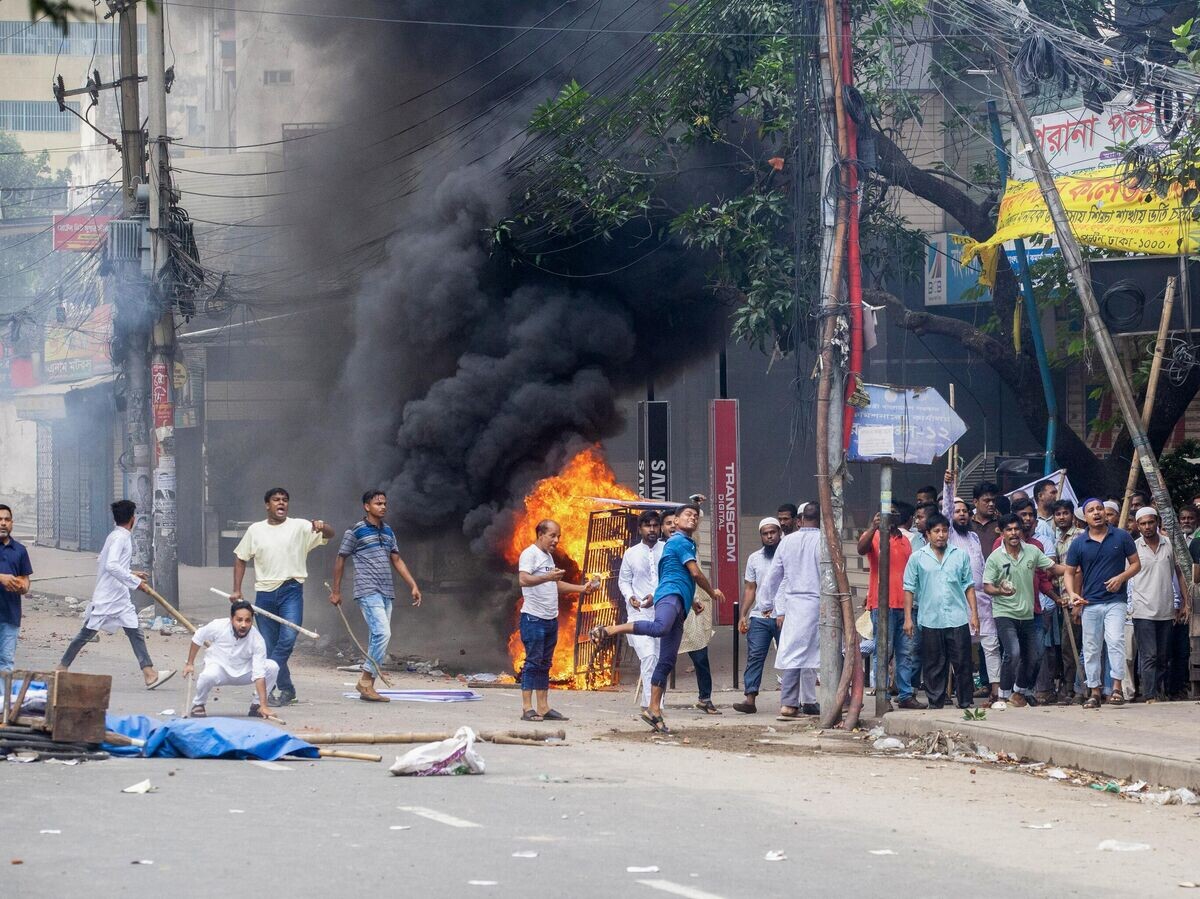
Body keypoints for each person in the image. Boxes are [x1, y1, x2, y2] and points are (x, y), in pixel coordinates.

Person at [589, 504, 724, 733]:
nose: (692, 518)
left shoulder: (679, 544)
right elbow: (694, 573)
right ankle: (611, 630)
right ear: (675, 522)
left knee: (666, 660)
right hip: (668, 599)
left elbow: (677, 577)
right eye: (686, 515)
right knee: (659, 630)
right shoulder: (679, 541)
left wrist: (690, 600)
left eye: (695, 515)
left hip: (677, 603)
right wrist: (712, 593)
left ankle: (654, 710)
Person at [230, 488, 333, 707]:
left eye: (285, 500)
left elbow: (329, 535)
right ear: (267, 505)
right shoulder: (255, 530)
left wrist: (323, 527)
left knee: (287, 639)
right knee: (270, 644)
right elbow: (240, 558)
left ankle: (266, 682)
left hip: (291, 590)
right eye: (276, 500)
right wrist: (237, 590)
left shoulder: (300, 526)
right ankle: (287, 691)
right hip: (264, 594)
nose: (281, 503)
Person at [58, 500, 174, 689]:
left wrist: (131, 573)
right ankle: (61, 668)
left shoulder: (115, 535)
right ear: (133, 519)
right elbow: (111, 565)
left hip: (119, 596)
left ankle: (149, 674)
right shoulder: (121, 538)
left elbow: (105, 561)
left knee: (135, 632)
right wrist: (136, 583)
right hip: (108, 596)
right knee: (86, 633)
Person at [329, 490, 423, 703]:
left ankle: (368, 687)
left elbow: (397, 560)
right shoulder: (355, 531)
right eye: (378, 503)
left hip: (386, 591)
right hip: (367, 589)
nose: (383, 507)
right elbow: (340, 559)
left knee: (376, 637)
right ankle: (365, 680)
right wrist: (336, 591)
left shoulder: (388, 531)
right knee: (383, 633)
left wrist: (413, 585)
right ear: (366, 506)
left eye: (384, 503)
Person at [983, 514, 1070, 710]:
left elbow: (1053, 568)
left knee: (1035, 655)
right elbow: (987, 586)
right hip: (1004, 612)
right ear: (1002, 532)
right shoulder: (995, 557)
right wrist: (1000, 591)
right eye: (1009, 529)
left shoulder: (1032, 551)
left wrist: (1073, 568)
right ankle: (1002, 696)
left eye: (1016, 529)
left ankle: (1019, 691)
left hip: (1029, 613)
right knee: (1012, 653)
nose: (1013, 533)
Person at [517, 519, 598, 722]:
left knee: (545, 664)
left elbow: (555, 585)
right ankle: (527, 708)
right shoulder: (530, 554)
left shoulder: (548, 557)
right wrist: (548, 578)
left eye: (558, 536)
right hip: (533, 618)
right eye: (552, 535)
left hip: (550, 619)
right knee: (532, 663)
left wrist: (582, 589)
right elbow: (523, 579)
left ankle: (543, 707)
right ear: (541, 534)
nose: (556, 540)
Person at [1064, 497, 1141, 710]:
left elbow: (1136, 564)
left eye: (1100, 509)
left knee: (1115, 640)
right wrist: (1072, 595)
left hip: (1115, 601)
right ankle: (1095, 691)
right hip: (1090, 602)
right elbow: (1069, 573)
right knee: (1091, 647)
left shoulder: (1122, 536)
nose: (1097, 513)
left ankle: (1116, 688)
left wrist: (1121, 578)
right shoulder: (1079, 543)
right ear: (1085, 516)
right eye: (1091, 510)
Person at [903, 513, 980, 709]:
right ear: (927, 534)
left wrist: (974, 614)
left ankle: (965, 701)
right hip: (930, 617)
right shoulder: (917, 558)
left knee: (962, 661)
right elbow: (909, 588)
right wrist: (907, 619)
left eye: (944, 531)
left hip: (957, 617)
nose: (941, 535)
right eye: (936, 531)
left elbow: (968, 586)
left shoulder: (959, 555)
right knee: (934, 663)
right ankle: (935, 701)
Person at [857, 500, 921, 709]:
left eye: (894, 514)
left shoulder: (906, 541)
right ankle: (882, 696)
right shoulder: (874, 537)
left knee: (906, 653)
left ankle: (905, 694)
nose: (890, 517)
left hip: (905, 605)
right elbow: (860, 549)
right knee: (883, 652)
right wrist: (874, 526)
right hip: (881, 605)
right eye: (887, 514)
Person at [762, 504, 822, 717]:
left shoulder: (787, 542)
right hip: (820, 603)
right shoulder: (825, 541)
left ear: (800, 520)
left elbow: (774, 576)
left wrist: (766, 604)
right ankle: (836, 700)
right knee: (827, 652)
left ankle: (791, 703)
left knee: (793, 652)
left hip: (794, 603)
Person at [942, 472, 994, 703]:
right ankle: (954, 693)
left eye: (964, 511)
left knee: (990, 645)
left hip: (982, 598)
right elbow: (945, 509)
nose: (961, 514)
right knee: (959, 649)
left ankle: (995, 690)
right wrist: (948, 486)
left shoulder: (973, 536)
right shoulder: (950, 534)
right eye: (957, 511)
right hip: (958, 599)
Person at [1127, 507, 1185, 703]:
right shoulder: (1133, 547)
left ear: (1157, 522)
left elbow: (1179, 574)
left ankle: (1158, 692)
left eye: (1150, 522)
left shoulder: (1169, 545)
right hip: (1142, 609)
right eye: (1142, 523)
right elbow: (1126, 578)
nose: (1147, 527)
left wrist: (1184, 602)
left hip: (1166, 609)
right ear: (1137, 525)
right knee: (1149, 655)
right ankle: (1150, 694)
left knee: (1162, 656)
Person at [183, 602, 278, 718]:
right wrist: (189, 663)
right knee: (207, 676)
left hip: (244, 672)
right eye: (239, 620)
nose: (243, 625)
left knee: (272, 667)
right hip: (219, 669)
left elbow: (259, 674)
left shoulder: (257, 639)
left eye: (248, 620)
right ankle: (199, 704)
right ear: (231, 619)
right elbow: (198, 637)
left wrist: (264, 705)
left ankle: (257, 706)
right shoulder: (218, 626)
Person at [733, 517, 784, 714]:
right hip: (760, 616)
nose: (770, 536)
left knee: (789, 657)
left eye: (773, 532)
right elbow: (750, 588)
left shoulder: (787, 554)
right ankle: (750, 699)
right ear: (761, 536)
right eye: (765, 533)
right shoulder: (754, 558)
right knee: (755, 656)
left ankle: (792, 700)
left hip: (783, 615)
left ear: (779, 533)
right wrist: (743, 615)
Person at [617, 510, 663, 711]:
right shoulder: (631, 553)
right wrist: (630, 597)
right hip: (638, 614)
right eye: (647, 526)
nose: (651, 529)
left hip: (662, 612)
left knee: (660, 660)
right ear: (640, 529)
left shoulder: (667, 550)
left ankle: (649, 704)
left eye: (655, 525)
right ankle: (655, 707)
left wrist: (657, 596)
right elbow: (623, 581)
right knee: (649, 656)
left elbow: (671, 579)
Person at [1053, 499, 1084, 702]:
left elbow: (1079, 571)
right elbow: (1057, 572)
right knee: (1067, 647)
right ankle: (1070, 687)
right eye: (1058, 514)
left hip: (1080, 599)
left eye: (1065, 513)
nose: (1062, 517)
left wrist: (1076, 600)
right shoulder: (1058, 541)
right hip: (1065, 600)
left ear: (1072, 515)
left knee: (1083, 646)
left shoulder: (1081, 537)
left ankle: (1083, 688)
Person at [0, 505, 32, 673]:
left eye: (7, 519)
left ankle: (3, 699)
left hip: (10, 616)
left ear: (12, 523)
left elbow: (25, 579)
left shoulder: (20, 550)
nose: (3, 523)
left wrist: (23, 587)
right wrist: (1, 578)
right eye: (0, 519)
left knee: (6, 662)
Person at [971, 482, 1001, 549]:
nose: (991, 504)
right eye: (987, 501)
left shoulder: (1001, 523)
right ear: (975, 502)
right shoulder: (967, 524)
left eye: (993, 501)